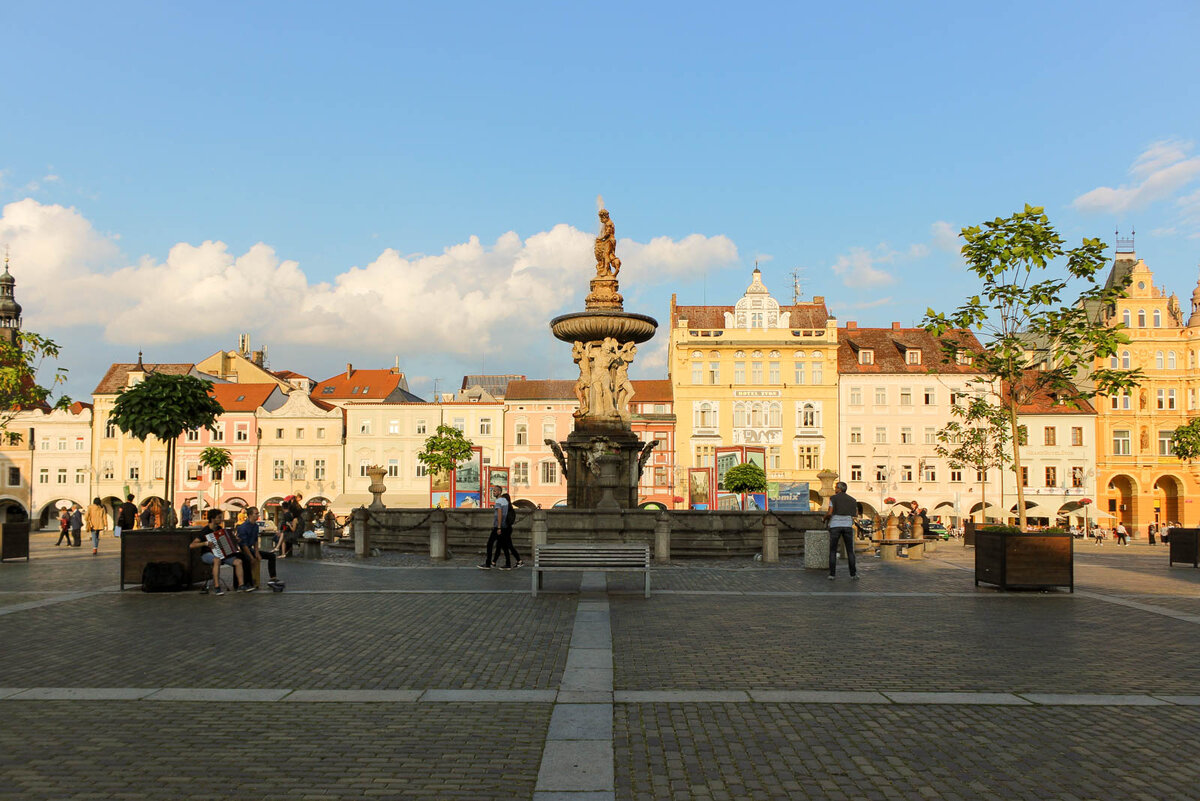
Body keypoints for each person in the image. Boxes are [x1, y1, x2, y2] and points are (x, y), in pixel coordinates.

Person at [190, 509, 252, 595]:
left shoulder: (219, 529)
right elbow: (192, 545)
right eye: (219, 517)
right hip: (207, 554)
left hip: (221, 554)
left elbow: (225, 541)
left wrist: (235, 540)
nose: (221, 519)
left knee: (238, 562)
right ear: (212, 519)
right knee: (217, 560)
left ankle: (241, 586)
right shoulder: (205, 530)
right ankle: (217, 587)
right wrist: (206, 543)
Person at [236, 506, 282, 590]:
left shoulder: (255, 526)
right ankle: (248, 583)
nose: (258, 515)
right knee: (248, 560)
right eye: (256, 513)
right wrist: (252, 557)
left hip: (251, 549)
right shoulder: (242, 527)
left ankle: (273, 578)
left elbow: (255, 540)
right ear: (250, 515)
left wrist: (257, 552)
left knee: (271, 556)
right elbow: (244, 545)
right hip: (244, 551)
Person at [823, 481, 859, 580]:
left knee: (833, 550)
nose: (835, 489)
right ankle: (853, 574)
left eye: (836, 487)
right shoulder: (852, 499)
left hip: (835, 525)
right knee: (850, 551)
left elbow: (830, 512)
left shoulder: (833, 498)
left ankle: (832, 574)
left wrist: (824, 517)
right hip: (847, 525)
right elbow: (855, 513)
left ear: (839, 489)